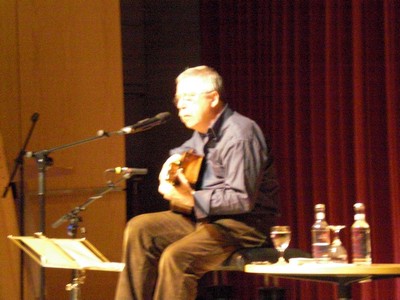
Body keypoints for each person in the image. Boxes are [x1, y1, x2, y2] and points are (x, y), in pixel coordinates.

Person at [114, 65, 280, 300]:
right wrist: (171, 165)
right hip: (206, 219)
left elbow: (242, 199)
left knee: (177, 257)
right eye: (178, 99)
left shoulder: (240, 135)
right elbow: (186, 152)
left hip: (243, 225)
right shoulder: (203, 133)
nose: (181, 105)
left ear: (213, 98)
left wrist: (192, 200)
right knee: (140, 228)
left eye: (189, 98)